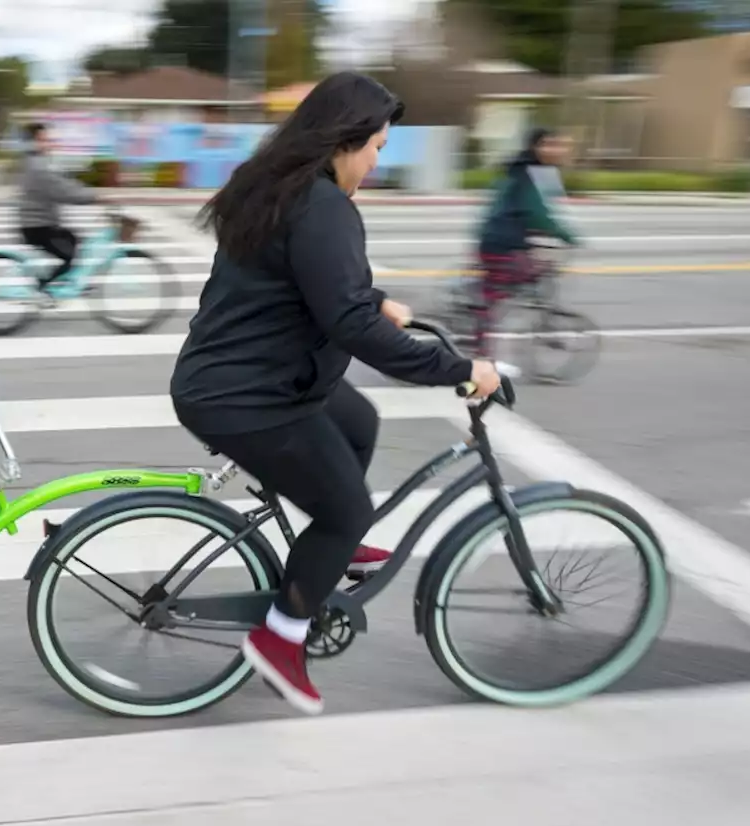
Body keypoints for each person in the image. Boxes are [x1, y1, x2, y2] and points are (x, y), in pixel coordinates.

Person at [169, 71, 501, 716]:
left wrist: (372, 300)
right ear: (344, 141)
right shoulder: (321, 206)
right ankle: (281, 636)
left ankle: (330, 551)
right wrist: (458, 368)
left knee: (359, 421)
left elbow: (289, 282)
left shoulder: (272, 186)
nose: (377, 162)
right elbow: (351, 327)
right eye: (376, 146)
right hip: (248, 394)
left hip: (241, 376)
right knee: (347, 509)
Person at [470, 128, 581, 355]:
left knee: (532, 275)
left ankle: (477, 310)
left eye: (558, 145)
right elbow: (537, 213)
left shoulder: (527, 169)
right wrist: (567, 236)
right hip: (502, 244)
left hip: (501, 240)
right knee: (496, 295)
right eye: (549, 144)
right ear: (535, 147)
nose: (556, 150)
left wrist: (547, 233)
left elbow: (538, 211)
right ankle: (479, 347)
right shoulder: (528, 173)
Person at [17, 121, 102, 293]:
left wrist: (88, 191)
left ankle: (69, 280)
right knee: (68, 256)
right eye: (43, 140)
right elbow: (64, 192)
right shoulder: (38, 167)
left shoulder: (40, 162)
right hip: (37, 227)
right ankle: (44, 288)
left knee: (74, 239)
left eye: (47, 139)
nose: (48, 143)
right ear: (32, 143)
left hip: (43, 223)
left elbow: (65, 183)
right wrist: (95, 198)